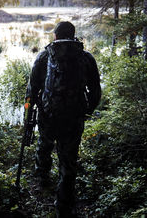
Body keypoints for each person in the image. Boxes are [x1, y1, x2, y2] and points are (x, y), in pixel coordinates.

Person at [25, 21, 101, 217]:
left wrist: (30, 112)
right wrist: (86, 110)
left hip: (48, 115)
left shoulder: (44, 56)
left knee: (44, 143)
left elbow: (32, 89)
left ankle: (42, 178)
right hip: (74, 118)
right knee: (68, 159)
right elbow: (95, 91)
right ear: (74, 36)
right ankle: (64, 203)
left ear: (55, 36)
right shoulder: (86, 58)